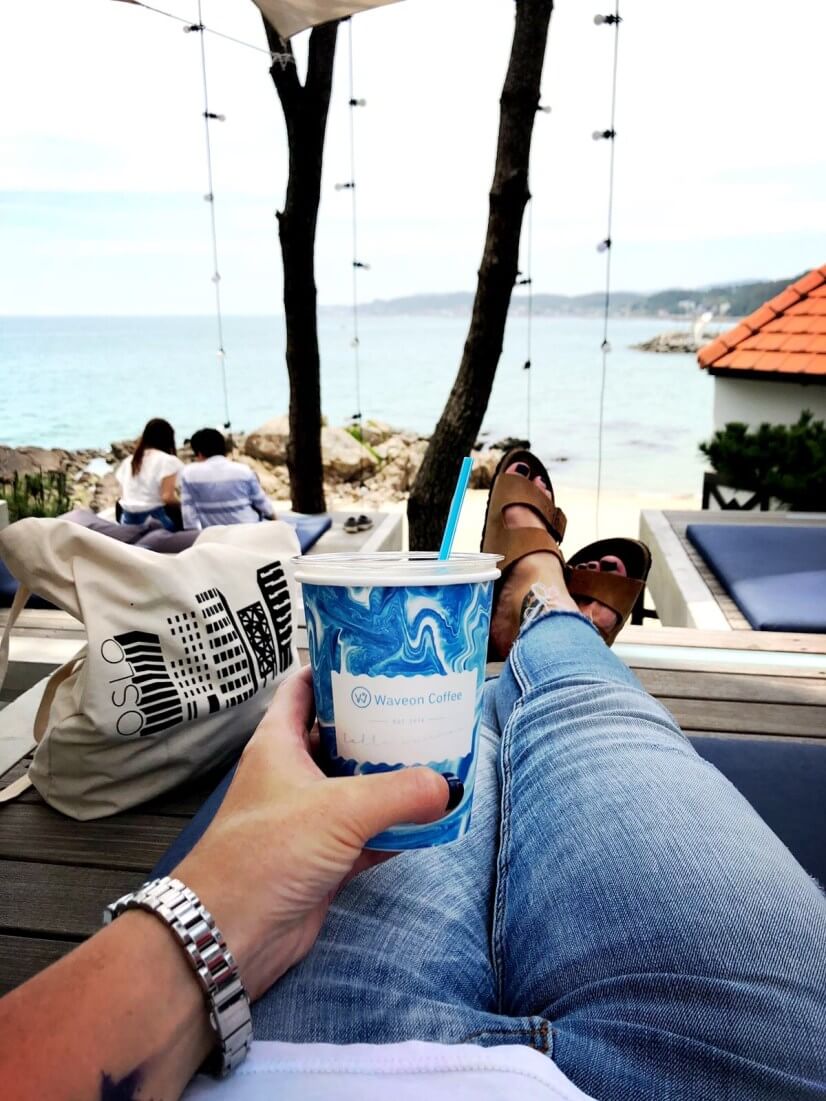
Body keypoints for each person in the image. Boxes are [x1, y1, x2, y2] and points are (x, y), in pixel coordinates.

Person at [1, 453, 824, 1101]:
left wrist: (220, 918)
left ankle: (526, 620)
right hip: (742, 1060)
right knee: (585, 706)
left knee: (475, 727)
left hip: (298, 1053)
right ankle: (547, 609)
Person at [180, 428, 275, 531]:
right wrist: (276, 521)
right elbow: (265, 506)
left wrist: (198, 535)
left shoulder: (188, 474)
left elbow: (188, 516)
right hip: (249, 530)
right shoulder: (243, 471)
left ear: (199, 453)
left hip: (214, 534)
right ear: (224, 449)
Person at [115, 417, 183, 532]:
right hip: (155, 521)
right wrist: (183, 505)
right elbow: (167, 497)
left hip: (127, 520)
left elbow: (122, 494)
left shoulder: (129, 461)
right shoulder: (168, 461)